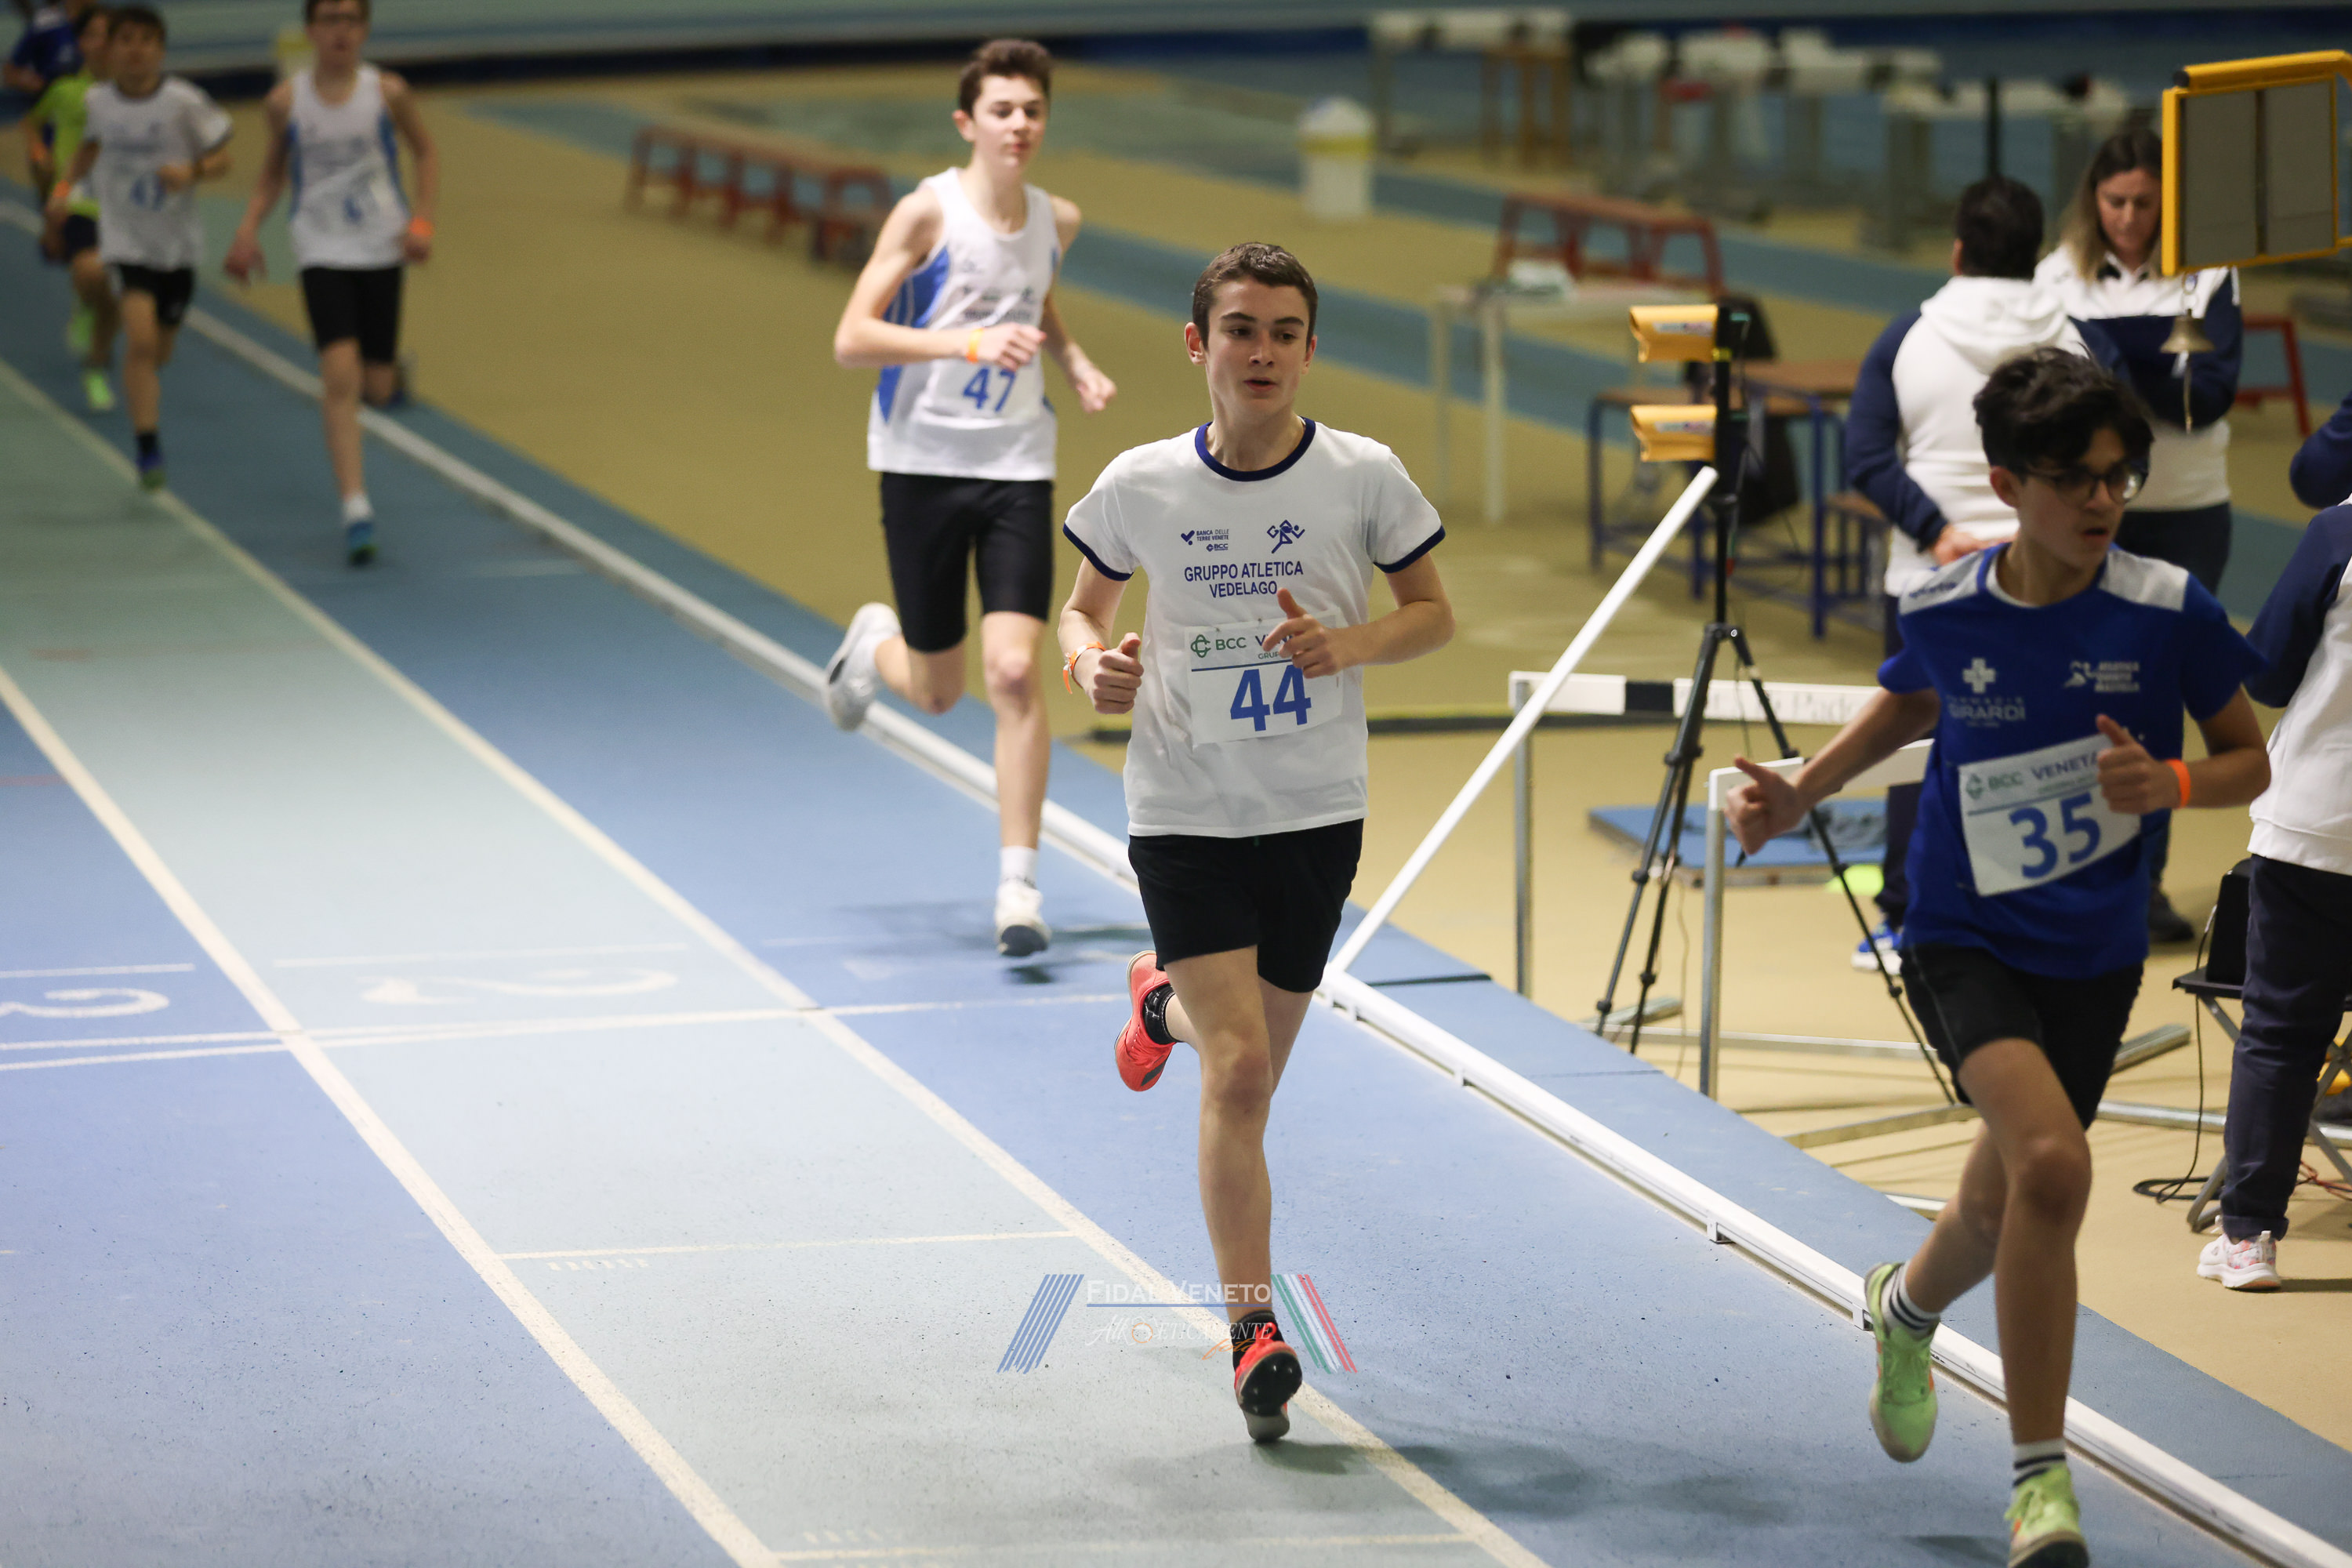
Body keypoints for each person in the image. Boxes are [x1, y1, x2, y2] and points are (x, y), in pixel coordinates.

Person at [1729, 349, 2267, 1567]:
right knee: (2054, 1168)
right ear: (2010, 484)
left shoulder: (2167, 607)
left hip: (2097, 948)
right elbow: (1911, 700)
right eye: (2077, 480)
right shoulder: (1945, 605)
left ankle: (1904, 1309)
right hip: (1960, 931)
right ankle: (2040, 1484)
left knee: (1996, 1202)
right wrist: (1804, 790)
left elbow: (2251, 757)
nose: (2103, 500)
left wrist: (2173, 782)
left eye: (2120, 476)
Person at [1059, 242, 1452, 1443]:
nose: (1263, 351)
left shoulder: (1362, 475)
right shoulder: (1140, 484)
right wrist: (1093, 667)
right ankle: (1253, 1333)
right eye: (1241, 329)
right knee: (1237, 1075)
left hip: (1314, 810)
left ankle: (1158, 1004)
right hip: (1184, 809)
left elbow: (1433, 615)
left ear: (1310, 350)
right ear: (1200, 345)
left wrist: (1350, 644)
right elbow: (1081, 614)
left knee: (1251, 1070)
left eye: (1285, 332)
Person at [826, 37, 1116, 958]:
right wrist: (966, 343)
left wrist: (1072, 360)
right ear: (968, 122)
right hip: (921, 460)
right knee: (941, 691)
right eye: (1001, 110)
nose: (1018, 125)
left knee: (1018, 672)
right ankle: (874, 647)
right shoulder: (927, 213)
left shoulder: (1058, 219)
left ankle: (1018, 887)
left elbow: (1034, 296)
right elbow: (852, 337)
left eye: (1032, 110)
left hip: (1017, 464)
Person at [1845, 176, 2121, 971]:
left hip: (1929, 583)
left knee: (1915, 740)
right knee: (2050, 746)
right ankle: (2036, 914)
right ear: (2036, 254)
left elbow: (1863, 456)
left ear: (1958, 250)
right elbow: (2115, 458)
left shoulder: (1908, 336)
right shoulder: (2078, 340)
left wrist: (1937, 532)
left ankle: (1904, 918)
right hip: (2055, 584)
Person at [2038, 126, 2243, 944]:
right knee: (2082, 694)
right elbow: (2063, 399)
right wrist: (2159, 368)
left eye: (2144, 204)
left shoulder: (2209, 272)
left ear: (2170, 204)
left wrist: (2115, 362)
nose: (2127, 218)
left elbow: (2211, 397)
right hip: (2089, 514)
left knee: (2155, 697)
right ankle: (2073, 871)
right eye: (2114, 202)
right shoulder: (2057, 275)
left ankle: (2144, 880)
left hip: (2190, 510)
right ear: (2093, 200)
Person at [224, 0, 437, 567]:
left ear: (364, 30)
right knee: (339, 377)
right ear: (311, 30)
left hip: (381, 244)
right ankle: (356, 508)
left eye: (350, 20)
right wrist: (247, 230)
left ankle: (389, 371)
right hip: (320, 247)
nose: (340, 31)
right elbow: (272, 174)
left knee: (377, 389)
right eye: (329, 20)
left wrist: (422, 219)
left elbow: (426, 151)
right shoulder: (285, 101)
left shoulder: (388, 92)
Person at [2201, 498, 2352, 1290]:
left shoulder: (2340, 531)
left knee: (2282, 1033)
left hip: (2317, 828)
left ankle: (2249, 1232)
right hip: (2317, 830)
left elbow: (2266, 673)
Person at [45, 4, 230, 491]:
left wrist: (192, 171)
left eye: (146, 42)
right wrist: (63, 191)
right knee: (141, 340)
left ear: (160, 50)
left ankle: (130, 371)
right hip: (125, 239)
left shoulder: (184, 101)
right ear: (111, 49)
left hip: (177, 246)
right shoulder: (98, 102)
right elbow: (87, 149)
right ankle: (148, 445)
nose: (135, 51)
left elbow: (223, 157)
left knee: (159, 350)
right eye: (125, 40)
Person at [20, 2, 114, 412]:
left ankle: (97, 362)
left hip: (125, 205)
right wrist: (40, 153)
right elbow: (31, 122)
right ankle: (86, 309)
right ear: (80, 44)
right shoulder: (64, 91)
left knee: (116, 295)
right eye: (92, 35)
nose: (102, 43)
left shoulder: (134, 93)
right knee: (90, 270)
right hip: (77, 198)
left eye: (109, 35)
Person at [3, 0, 88, 96]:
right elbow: (11, 71)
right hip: (52, 96)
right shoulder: (47, 23)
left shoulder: (98, 20)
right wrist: (38, 86)